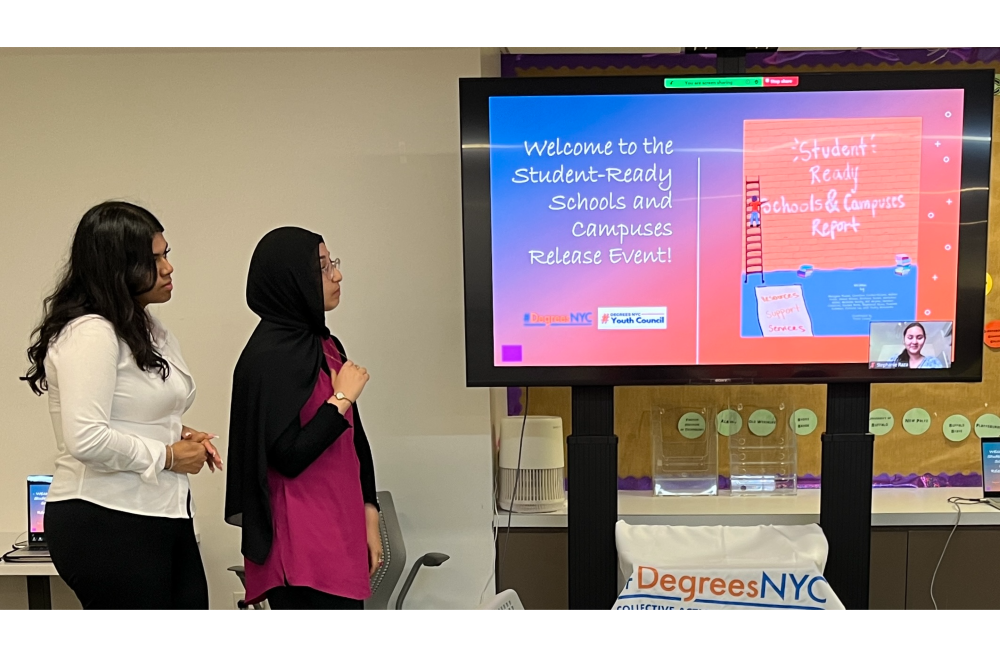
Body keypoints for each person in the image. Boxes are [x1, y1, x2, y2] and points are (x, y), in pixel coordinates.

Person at [23, 201, 222, 609]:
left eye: (167, 255)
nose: (168, 268)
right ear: (118, 268)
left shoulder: (148, 327)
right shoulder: (90, 333)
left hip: (161, 511)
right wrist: (167, 454)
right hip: (105, 517)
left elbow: (132, 408)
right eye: (154, 259)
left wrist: (176, 431)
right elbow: (86, 437)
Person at [225, 227, 381, 610]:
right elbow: (289, 455)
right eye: (323, 268)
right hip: (301, 544)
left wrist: (370, 513)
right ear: (292, 281)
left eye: (333, 264)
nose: (336, 275)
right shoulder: (269, 357)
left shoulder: (324, 344)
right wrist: (341, 398)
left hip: (339, 528)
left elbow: (353, 440)